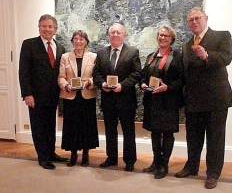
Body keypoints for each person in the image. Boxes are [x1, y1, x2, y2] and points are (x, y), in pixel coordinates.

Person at [175, 7, 232, 189]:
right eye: (190, 20)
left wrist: (207, 55)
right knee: (193, 137)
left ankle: (213, 173)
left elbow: (227, 57)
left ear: (205, 18)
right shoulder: (186, 45)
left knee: (215, 139)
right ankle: (191, 167)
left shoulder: (222, 36)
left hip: (216, 99)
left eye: (197, 18)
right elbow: (185, 73)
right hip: (193, 99)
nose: (194, 22)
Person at [19, 14, 67, 169]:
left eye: (50, 26)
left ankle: (51, 152)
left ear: (55, 29)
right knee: (39, 126)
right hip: (35, 96)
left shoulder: (60, 48)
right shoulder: (29, 44)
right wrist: (27, 94)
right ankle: (43, 157)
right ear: (39, 27)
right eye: (44, 26)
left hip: (53, 96)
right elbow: (23, 72)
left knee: (50, 125)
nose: (47, 29)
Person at [92, 23, 141, 172]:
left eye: (118, 32)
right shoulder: (101, 53)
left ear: (124, 35)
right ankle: (111, 158)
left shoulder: (132, 52)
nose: (115, 35)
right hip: (108, 100)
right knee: (110, 131)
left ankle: (130, 160)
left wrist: (122, 85)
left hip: (126, 100)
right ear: (108, 35)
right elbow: (96, 74)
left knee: (128, 131)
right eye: (112, 32)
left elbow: (136, 74)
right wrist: (103, 84)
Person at [141, 25, 184, 179]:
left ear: (172, 38)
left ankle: (164, 165)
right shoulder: (151, 56)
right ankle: (155, 161)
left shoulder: (177, 56)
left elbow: (181, 81)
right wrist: (143, 84)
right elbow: (143, 76)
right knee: (154, 132)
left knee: (167, 134)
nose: (162, 38)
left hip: (168, 102)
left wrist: (167, 88)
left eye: (166, 35)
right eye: (160, 35)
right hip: (152, 101)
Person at [58, 30, 99, 167]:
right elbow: (61, 77)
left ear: (86, 42)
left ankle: (86, 154)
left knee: (87, 126)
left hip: (87, 95)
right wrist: (65, 86)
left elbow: (97, 76)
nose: (78, 41)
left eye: (82, 39)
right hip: (71, 97)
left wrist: (90, 82)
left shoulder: (93, 57)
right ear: (72, 41)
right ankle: (73, 154)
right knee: (72, 126)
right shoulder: (65, 57)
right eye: (76, 39)